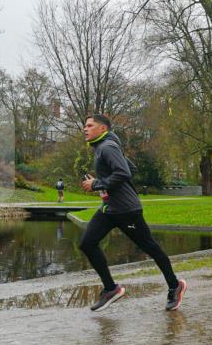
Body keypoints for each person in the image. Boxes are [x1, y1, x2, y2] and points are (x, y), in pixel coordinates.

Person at [78, 114, 186, 312]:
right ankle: (111, 289)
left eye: (90, 125)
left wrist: (97, 184)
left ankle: (175, 286)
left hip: (126, 210)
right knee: (87, 243)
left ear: (102, 129)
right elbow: (131, 169)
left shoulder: (107, 147)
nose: (85, 128)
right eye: (85, 125)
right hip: (110, 208)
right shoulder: (103, 147)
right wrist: (104, 182)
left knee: (150, 247)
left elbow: (124, 173)